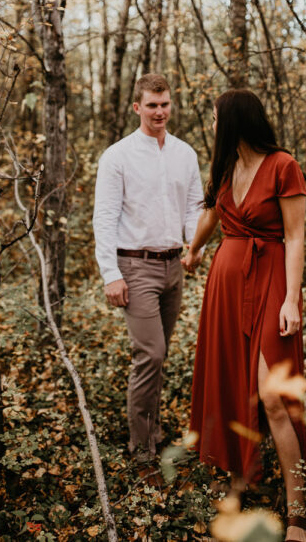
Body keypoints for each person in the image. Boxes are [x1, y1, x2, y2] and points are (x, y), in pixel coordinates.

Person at [182, 89, 306, 542]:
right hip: (226, 286)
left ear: (235, 119)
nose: (214, 125)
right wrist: (194, 249)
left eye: (217, 117)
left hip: (271, 281)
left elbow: (295, 238)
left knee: (272, 395)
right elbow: (213, 213)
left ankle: (298, 511)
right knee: (232, 384)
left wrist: (291, 299)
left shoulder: (282, 165)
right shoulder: (226, 168)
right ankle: (240, 477)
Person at [93, 73, 203, 463]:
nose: (160, 112)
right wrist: (111, 274)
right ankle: (141, 449)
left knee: (160, 353)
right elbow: (104, 218)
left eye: (165, 104)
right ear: (137, 107)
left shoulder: (184, 154)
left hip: (174, 266)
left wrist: (195, 243)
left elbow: (193, 207)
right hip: (134, 266)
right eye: (152, 105)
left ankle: (154, 435)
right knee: (151, 354)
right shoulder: (118, 156)